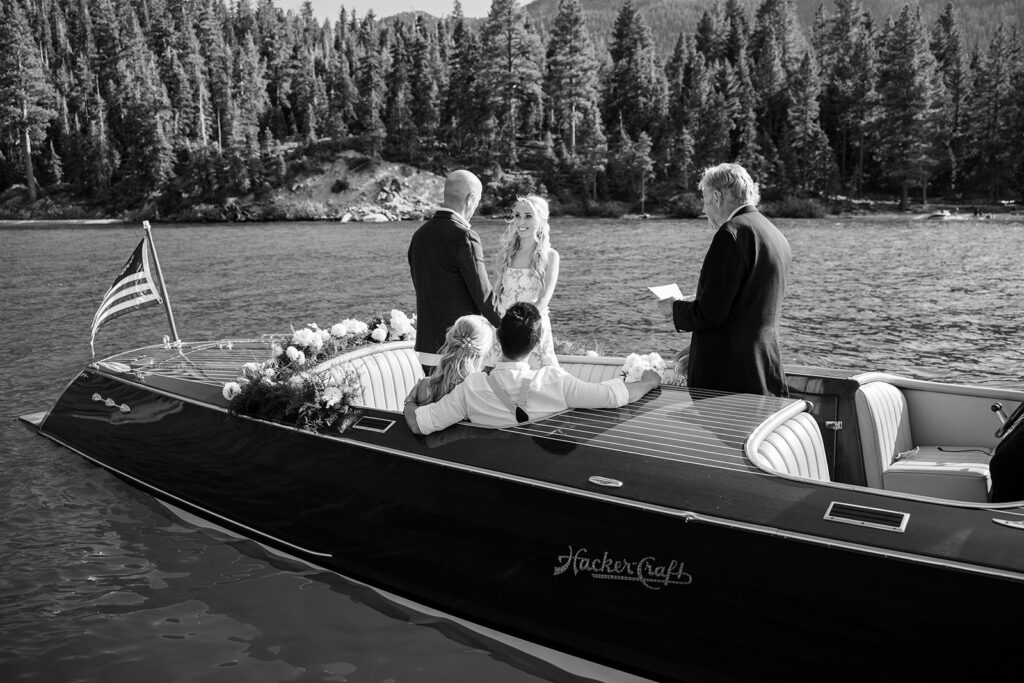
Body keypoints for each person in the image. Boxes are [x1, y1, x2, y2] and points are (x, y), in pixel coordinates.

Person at [405, 302, 660, 435]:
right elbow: (614, 397)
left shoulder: (471, 387)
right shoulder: (554, 381)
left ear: (498, 337)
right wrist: (649, 381)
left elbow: (420, 424)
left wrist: (409, 403)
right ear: (537, 345)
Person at [656, 163, 791, 397]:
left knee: (727, 435)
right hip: (765, 368)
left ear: (717, 196)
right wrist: (699, 348)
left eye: (705, 199)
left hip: (730, 378)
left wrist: (674, 308)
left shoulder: (730, 234)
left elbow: (709, 313)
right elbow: (746, 306)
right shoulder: (775, 235)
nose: (704, 209)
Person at [408, 170, 502, 375]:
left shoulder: (420, 235)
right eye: (477, 201)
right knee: (459, 406)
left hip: (426, 345)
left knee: (435, 404)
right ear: (471, 198)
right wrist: (509, 327)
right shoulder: (464, 236)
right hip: (459, 346)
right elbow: (483, 295)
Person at [488, 195, 561, 369]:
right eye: (517, 215)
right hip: (503, 327)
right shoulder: (506, 254)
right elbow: (495, 295)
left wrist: (523, 326)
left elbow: (544, 300)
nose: (521, 221)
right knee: (497, 378)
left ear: (541, 219)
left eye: (528, 216)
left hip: (531, 326)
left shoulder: (550, 256)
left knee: (534, 381)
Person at [410, 315, 493, 405]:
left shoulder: (425, 386)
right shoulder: (486, 389)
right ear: (485, 351)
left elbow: (415, 418)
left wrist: (409, 403)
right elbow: (510, 408)